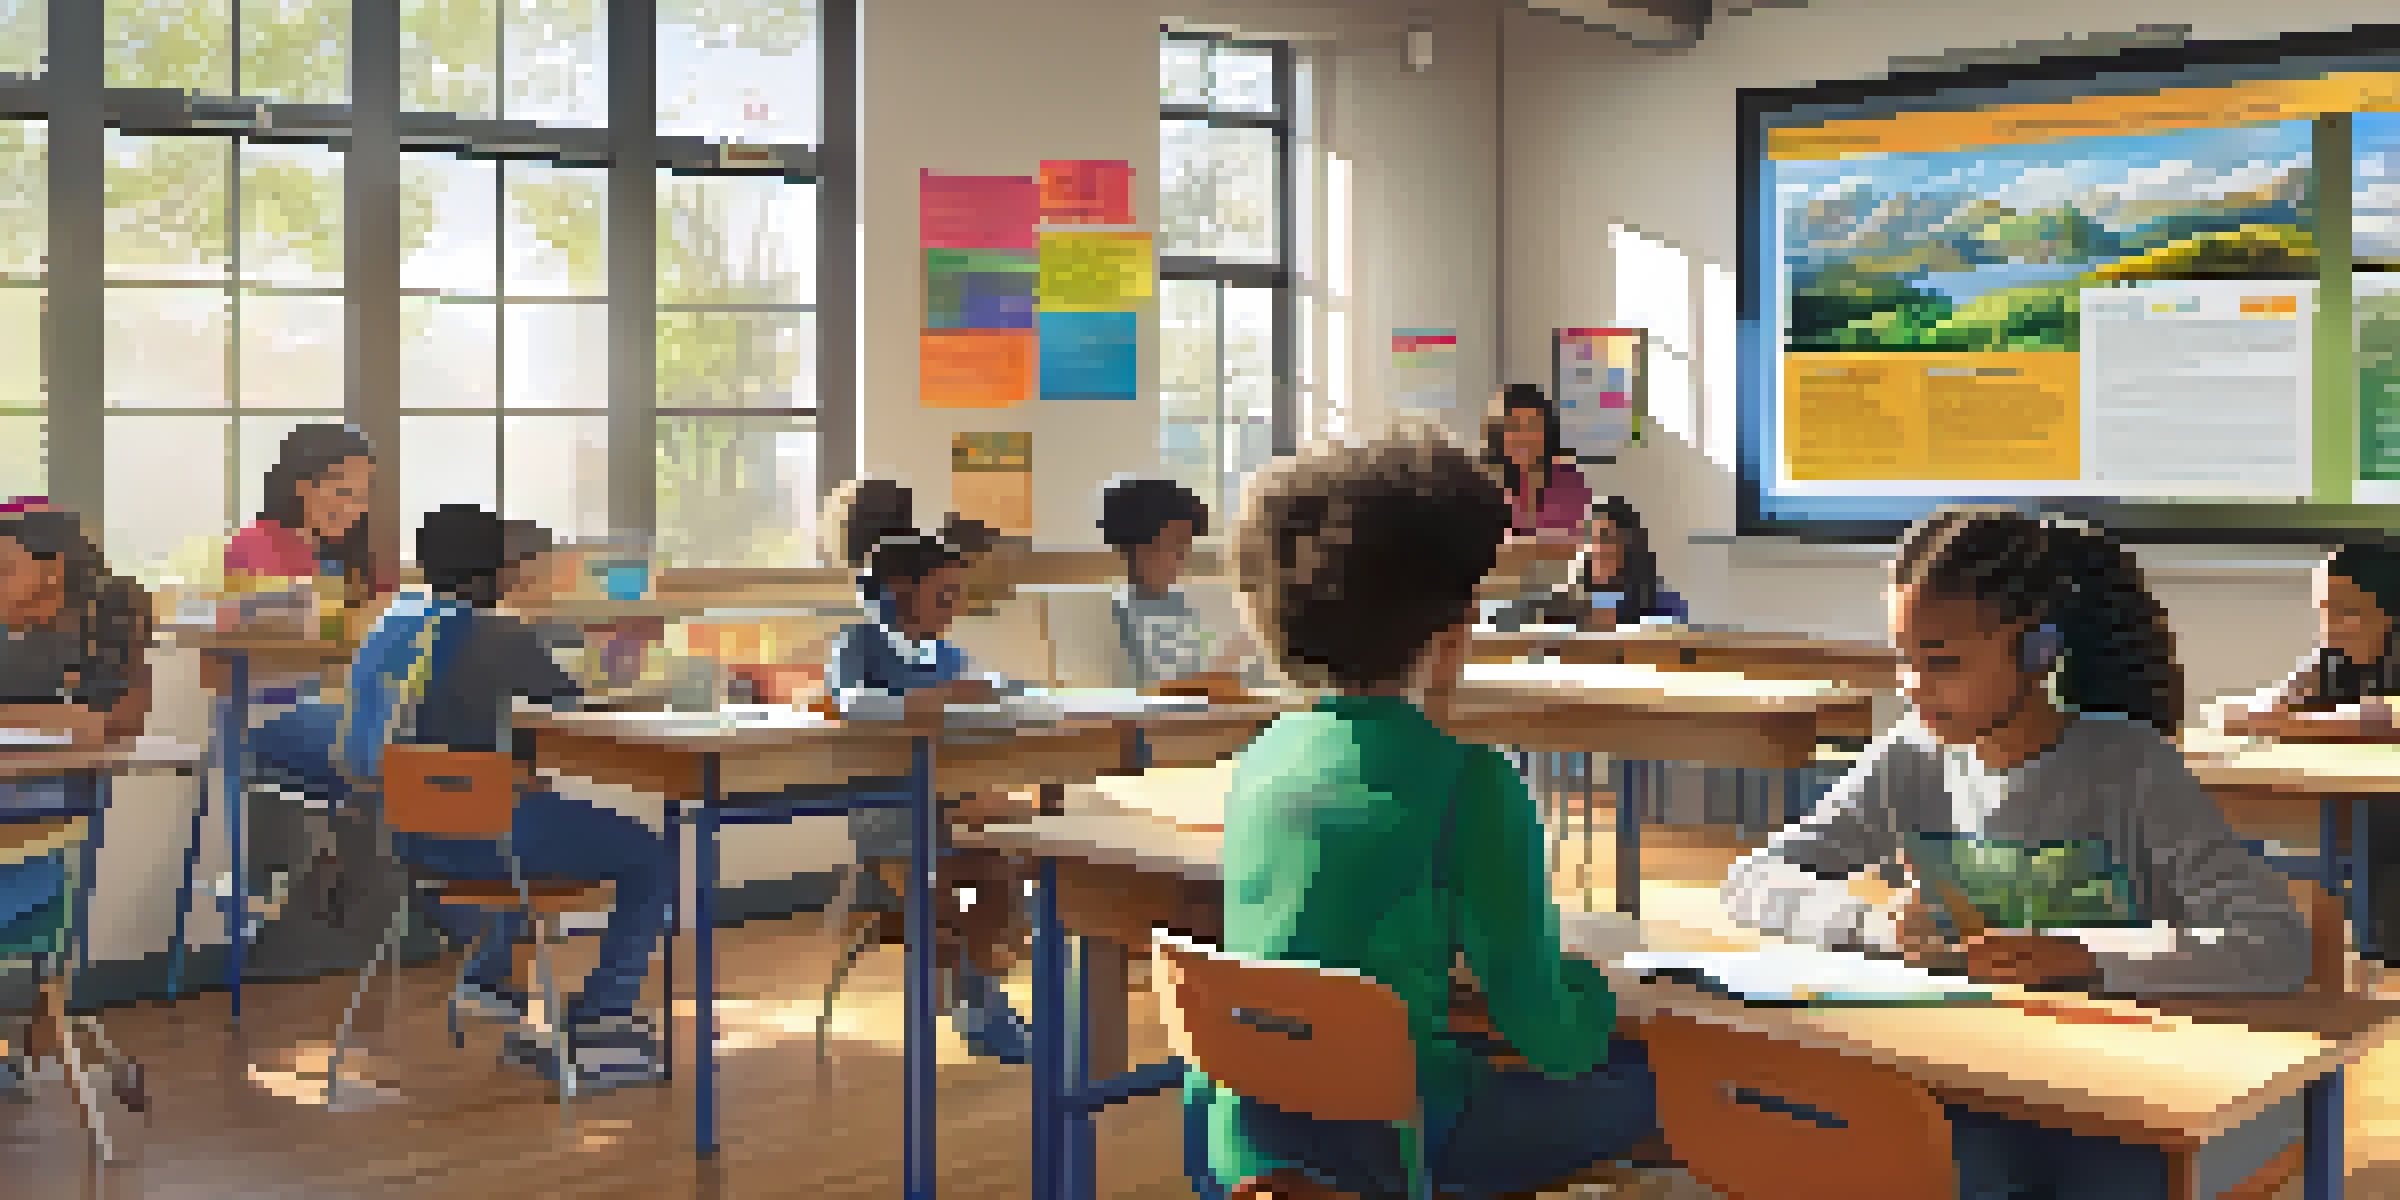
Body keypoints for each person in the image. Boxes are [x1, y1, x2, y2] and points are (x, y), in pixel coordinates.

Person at [1722, 507, 2309, 1200]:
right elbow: (1752, 881)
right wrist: (1875, 927)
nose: (1914, 688)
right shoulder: (1911, 757)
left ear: (2038, 652)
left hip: (2125, 1099)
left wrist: (2087, 957)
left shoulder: (2130, 768)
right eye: (1905, 660)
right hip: (1977, 1084)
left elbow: (2275, 942)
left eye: (1943, 663)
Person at [1186, 424, 1662, 1200]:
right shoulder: (1469, 782)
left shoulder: (1264, 756)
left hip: (1250, 1137)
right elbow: (1550, 1033)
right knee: (1668, 1084)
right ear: (1455, 624)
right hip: (1405, 1138)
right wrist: (1602, 990)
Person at [338, 504, 672, 1089]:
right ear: (494, 572)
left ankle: (492, 977)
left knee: (526, 795)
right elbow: (570, 702)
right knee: (648, 852)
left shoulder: (392, 621)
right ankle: (603, 1022)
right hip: (483, 842)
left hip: (404, 834)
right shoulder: (495, 632)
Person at [819, 483, 1038, 1064]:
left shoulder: (945, 652)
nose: (954, 609)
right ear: (898, 594)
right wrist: (944, 697)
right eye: (943, 597)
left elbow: (988, 694)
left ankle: (979, 998)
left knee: (1002, 876)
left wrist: (1002, 696)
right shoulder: (858, 644)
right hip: (890, 822)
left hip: (946, 815)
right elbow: (852, 704)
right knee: (944, 898)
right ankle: (974, 1000)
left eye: (958, 596)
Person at [0, 510, 151, 1100]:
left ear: (52, 570)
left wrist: (59, 723)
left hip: (40, 836)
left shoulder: (106, 625)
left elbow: (109, 728)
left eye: (7, 568)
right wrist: (55, 722)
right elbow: (79, 725)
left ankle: (47, 1007)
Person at [2215, 539, 2400, 955]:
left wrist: (2294, 721)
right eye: (2324, 611)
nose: (2331, 627)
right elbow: (2261, 710)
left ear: (2391, 615)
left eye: (2349, 614)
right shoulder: (2335, 656)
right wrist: (2288, 697)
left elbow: (2387, 717)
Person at [1096, 477, 1267, 691]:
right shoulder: (1112, 618)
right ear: (1135, 547)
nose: (1182, 557)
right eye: (1173, 545)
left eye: (1185, 545)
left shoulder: (1196, 607)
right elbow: (1144, 691)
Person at [1495, 495, 1687, 630]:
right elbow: (1506, 617)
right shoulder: (1569, 595)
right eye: (1591, 538)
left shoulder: (1655, 598)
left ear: (1630, 545)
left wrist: (1622, 622)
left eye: (1608, 537)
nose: (1599, 547)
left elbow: (1679, 628)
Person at [1483, 384, 1591, 540]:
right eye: (1515, 427)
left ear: (1547, 431)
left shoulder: (1570, 481)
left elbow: (1577, 545)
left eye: (1533, 426)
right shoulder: (1490, 485)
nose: (1525, 436)